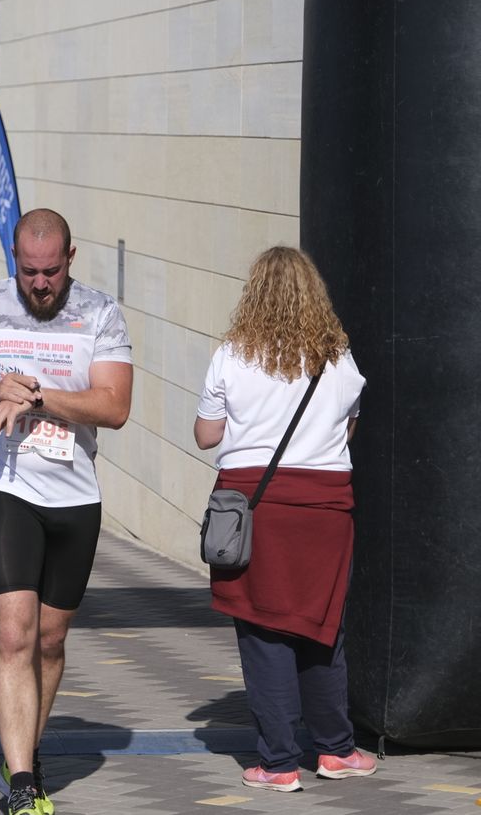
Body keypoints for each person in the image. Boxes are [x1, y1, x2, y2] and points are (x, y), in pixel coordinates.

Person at [0, 208, 132, 815]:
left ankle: (26, 749)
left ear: (70, 258)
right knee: (14, 634)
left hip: (74, 493)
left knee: (49, 639)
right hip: (2, 486)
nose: (39, 284)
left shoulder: (100, 313)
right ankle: (22, 782)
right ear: (13, 259)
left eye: (50, 272)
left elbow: (114, 406)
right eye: (28, 271)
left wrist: (38, 397)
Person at [193, 245, 377, 792]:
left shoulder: (232, 355)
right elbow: (347, 430)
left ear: (253, 294)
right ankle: (336, 750)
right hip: (325, 510)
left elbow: (206, 435)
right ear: (314, 294)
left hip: (255, 508)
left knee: (263, 630)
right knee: (322, 628)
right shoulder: (338, 358)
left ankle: (277, 764)